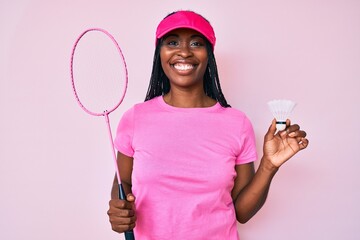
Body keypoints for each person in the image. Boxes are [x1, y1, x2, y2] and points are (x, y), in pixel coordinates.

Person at [107, 10, 308, 240]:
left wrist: (269, 166)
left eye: (196, 43)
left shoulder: (237, 124)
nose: (184, 51)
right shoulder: (135, 118)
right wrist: (119, 207)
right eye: (172, 42)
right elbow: (123, 181)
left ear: (208, 55)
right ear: (159, 53)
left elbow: (241, 212)